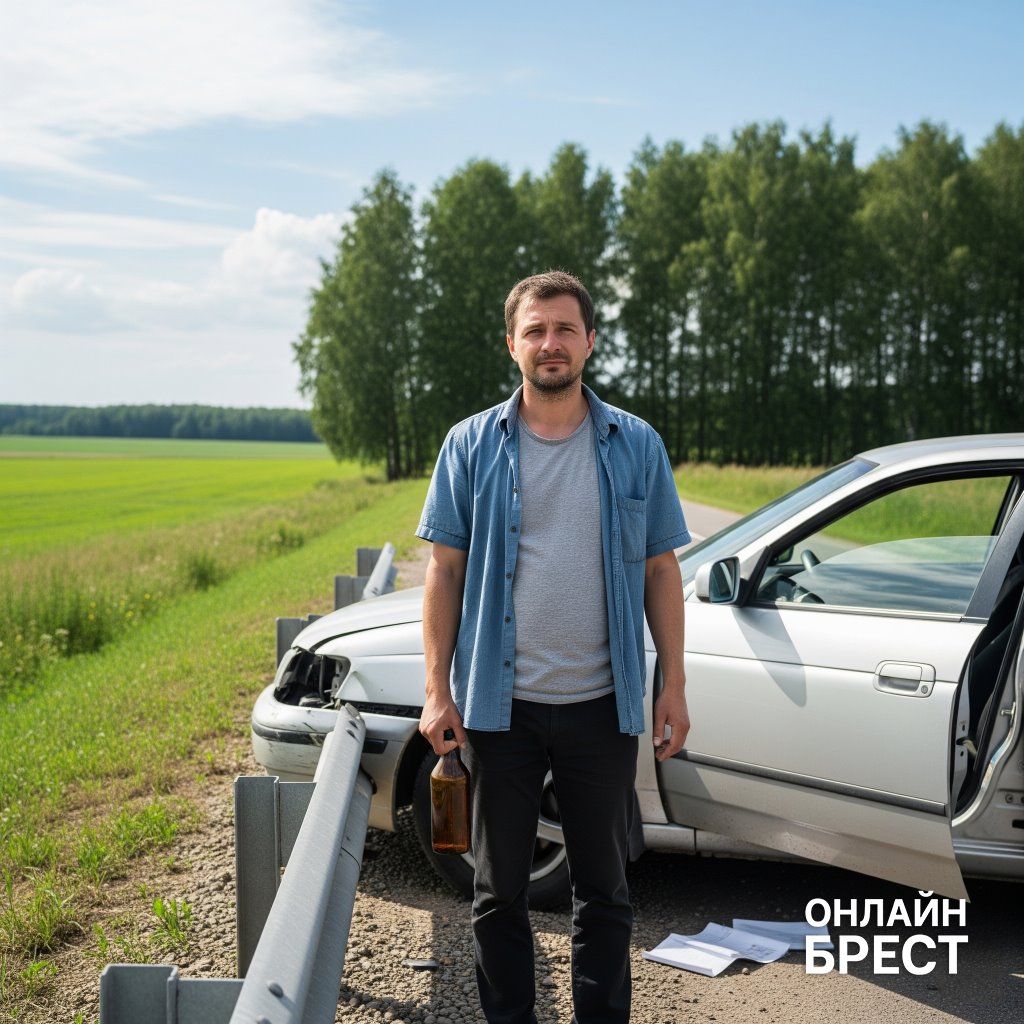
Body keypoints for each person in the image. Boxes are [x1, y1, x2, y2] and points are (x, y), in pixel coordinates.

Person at [416, 270, 690, 1024]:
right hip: (498, 713)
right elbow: (443, 569)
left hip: (602, 708)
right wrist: (438, 689)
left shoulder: (636, 444)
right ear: (512, 344)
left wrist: (673, 684)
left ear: (590, 341)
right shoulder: (470, 445)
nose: (551, 343)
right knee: (497, 893)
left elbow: (661, 569)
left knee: (604, 894)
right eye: (535, 331)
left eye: (565, 329)